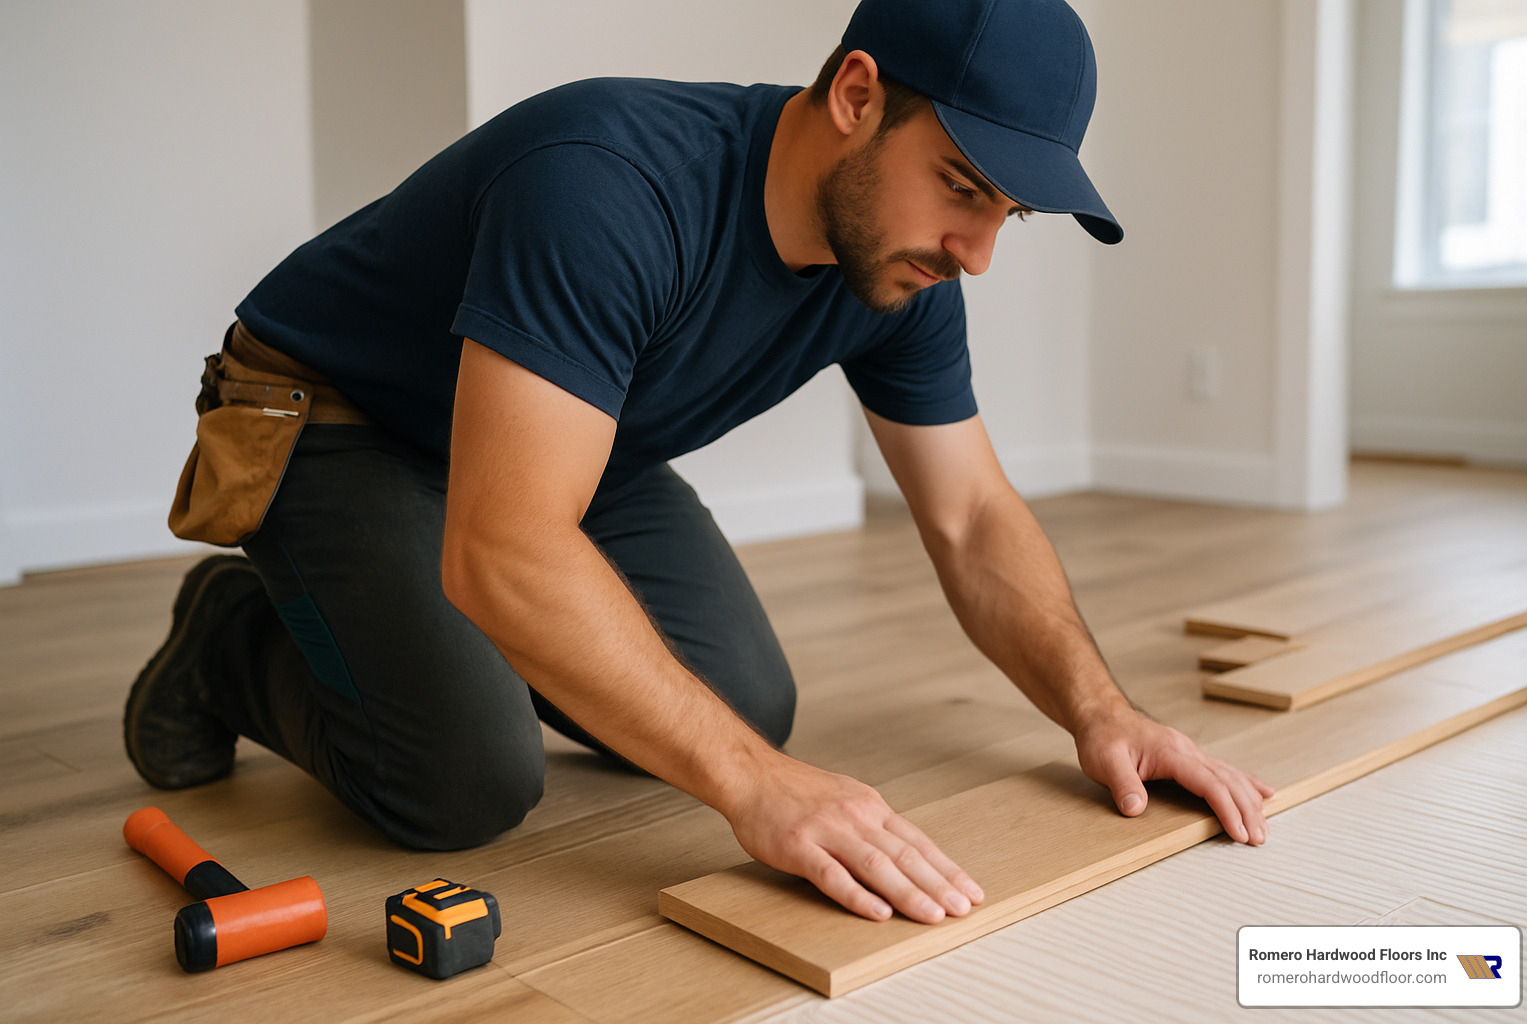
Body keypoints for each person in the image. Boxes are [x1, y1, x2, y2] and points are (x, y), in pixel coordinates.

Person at [126, 0, 1272, 928]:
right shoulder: (609, 186)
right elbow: (507, 544)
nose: (974, 251)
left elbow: (970, 515)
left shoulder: (905, 271)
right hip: (342, 416)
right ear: (856, 95)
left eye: (1006, 215)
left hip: (574, 437)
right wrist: (751, 789)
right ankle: (230, 642)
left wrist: (1101, 713)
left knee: (744, 703)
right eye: (964, 187)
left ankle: (427, 634)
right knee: (465, 781)